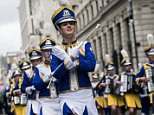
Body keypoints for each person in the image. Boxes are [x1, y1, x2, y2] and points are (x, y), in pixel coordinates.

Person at [50, 5, 98, 115]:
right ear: (59, 28)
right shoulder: (56, 50)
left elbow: (91, 66)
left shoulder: (85, 45)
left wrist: (76, 60)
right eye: (64, 24)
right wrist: (67, 60)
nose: (69, 26)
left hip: (85, 94)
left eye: (71, 23)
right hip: (67, 96)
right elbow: (55, 73)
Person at [33, 37, 60, 115]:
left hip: (60, 100)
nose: (49, 53)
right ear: (42, 53)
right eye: (46, 51)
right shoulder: (39, 68)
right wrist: (45, 79)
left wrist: (57, 79)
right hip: (46, 103)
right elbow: (37, 85)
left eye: (51, 50)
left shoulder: (60, 64)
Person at [135, 34, 154, 115]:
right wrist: (141, 79)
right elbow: (136, 78)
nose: (153, 57)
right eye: (151, 56)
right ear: (148, 56)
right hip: (150, 90)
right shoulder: (145, 66)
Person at [21, 48, 42, 115]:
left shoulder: (46, 69)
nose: (35, 62)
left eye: (37, 60)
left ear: (41, 60)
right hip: (33, 101)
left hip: (44, 100)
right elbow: (22, 88)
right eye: (33, 61)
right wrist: (30, 88)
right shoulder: (27, 73)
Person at [120, 49, 141, 115]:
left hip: (134, 94)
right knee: (131, 110)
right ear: (124, 66)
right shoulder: (122, 75)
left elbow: (138, 83)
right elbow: (116, 84)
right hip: (127, 95)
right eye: (127, 66)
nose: (128, 67)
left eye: (129, 65)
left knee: (134, 111)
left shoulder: (134, 74)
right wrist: (119, 84)